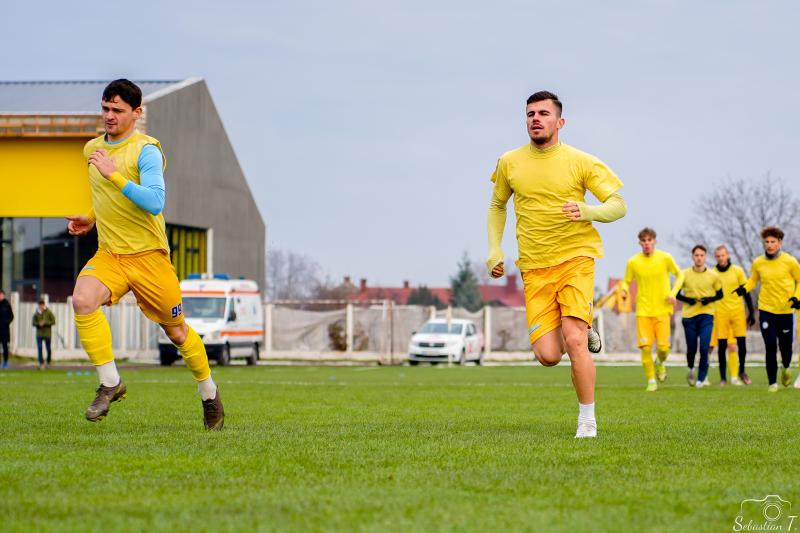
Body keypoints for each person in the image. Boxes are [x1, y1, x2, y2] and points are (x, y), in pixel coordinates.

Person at [66, 79, 224, 429]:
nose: (109, 116)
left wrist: (114, 174)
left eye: (117, 110)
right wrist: (90, 218)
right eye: (105, 108)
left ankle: (209, 394)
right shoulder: (92, 149)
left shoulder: (146, 150)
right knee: (82, 300)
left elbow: (155, 202)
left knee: (177, 333)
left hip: (149, 257)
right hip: (110, 254)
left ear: (137, 113)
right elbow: (105, 196)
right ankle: (110, 382)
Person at [487, 91, 627, 438]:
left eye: (544, 113)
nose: (536, 119)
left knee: (574, 340)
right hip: (534, 267)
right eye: (530, 114)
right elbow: (497, 205)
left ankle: (587, 422)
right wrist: (495, 249)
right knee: (548, 355)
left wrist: (588, 211)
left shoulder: (581, 161)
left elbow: (618, 204)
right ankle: (582, 327)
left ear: (560, 122)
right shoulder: (509, 162)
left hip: (575, 259)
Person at [735, 226, 800, 392]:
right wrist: (744, 288)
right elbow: (753, 280)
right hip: (766, 310)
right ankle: (772, 383)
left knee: (785, 347)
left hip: (786, 311)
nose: (769, 245)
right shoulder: (758, 262)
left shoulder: (790, 261)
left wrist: (797, 297)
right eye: (767, 242)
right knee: (770, 346)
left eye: (773, 242)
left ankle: (786, 367)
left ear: (779, 243)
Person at [619, 228, 684, 392]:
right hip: (643, 311)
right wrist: (624, 290)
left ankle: (660, 362)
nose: (647, 243)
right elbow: (626, 281)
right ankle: (651, 381)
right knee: (646, 348)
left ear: (655, 241)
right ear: (640, 243)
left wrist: (673, 293)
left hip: (663, 310)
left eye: (649, 240)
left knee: (663, 348)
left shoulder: (665, 258)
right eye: (644, 241)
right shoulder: (633, 262)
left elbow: (680, 275)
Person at [674, 245, 723, 388]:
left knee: (704, 348)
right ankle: (691, 369)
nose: (699, 258)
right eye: (696, 255)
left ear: (705, 257)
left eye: (702, 255)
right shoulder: (684, 274)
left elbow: (720, 294)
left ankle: (701, 379)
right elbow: (676, 293)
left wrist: (709, 299)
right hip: (689, 316)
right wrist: (688, 300)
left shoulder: (713, 275)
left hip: (706, 315)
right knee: (691, 349)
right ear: (692, 257)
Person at [712, 245, 755, 385]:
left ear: (728, 255)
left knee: (740, 344)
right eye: (718, 256)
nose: (721, 258)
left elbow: (746, 291)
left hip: (737, 312)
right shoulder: (712, 273)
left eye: (723, 255)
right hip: (720, 313)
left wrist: (751, 312)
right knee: (722, 346)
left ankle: (741, 372)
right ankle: (723, 378)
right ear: (715, 257)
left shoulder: (738, 271)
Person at [32, 299, 56, 369]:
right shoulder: (36, 313)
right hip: (39, 334)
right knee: (39, 348)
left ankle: (48, 361)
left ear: (44, 305)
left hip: (47, 334)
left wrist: (45, 323)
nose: (41, 307)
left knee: (48, 348)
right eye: (40, 305)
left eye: (42, 305)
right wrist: (38, 324)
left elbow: (53, 321)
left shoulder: (49, 312)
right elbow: (33, 323)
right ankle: (41, 363)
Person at [0, 290, 13, 369]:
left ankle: (5, 362)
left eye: (1, 295)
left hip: (5, 330)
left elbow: (12, 316)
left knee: (5, 347)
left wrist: (6, 322)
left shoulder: (7, 304)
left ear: (3, 295)